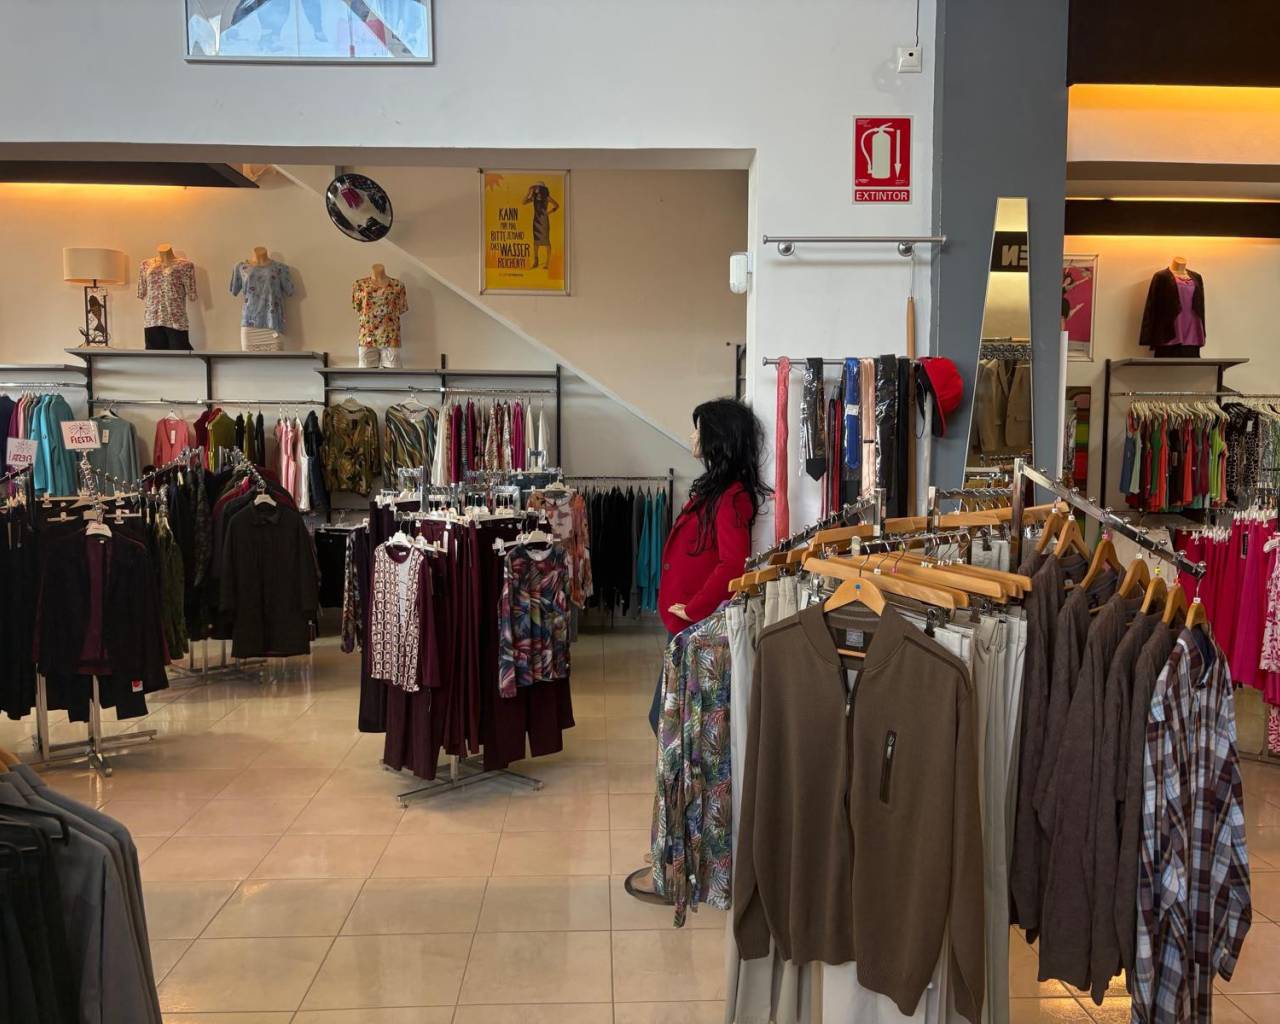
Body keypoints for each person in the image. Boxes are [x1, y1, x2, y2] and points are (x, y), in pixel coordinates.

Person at [626, 397, 771, 903]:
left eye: (697, 430)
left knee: (677, 740)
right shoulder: (719, 490)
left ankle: (681, 854)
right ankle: (677, 851)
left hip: (698, 636)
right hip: (686, 635)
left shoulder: (732, 497)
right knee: (670, 734)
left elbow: (733, 566)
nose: (691, 438)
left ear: (716, 437)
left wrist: (693, 607)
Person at [522, 182, 560, 270]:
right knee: (536, 242)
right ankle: (536, 261)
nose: (535, 188)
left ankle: (547, 262)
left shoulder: (547, 198)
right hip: (536, 221)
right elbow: (523, 202)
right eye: (535, 187)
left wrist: (549, 212)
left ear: (541, 189)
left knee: (546, 241)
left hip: (544, 221)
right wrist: (528, 192)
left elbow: (557, 205)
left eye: (537, 187)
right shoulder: (534, 198)